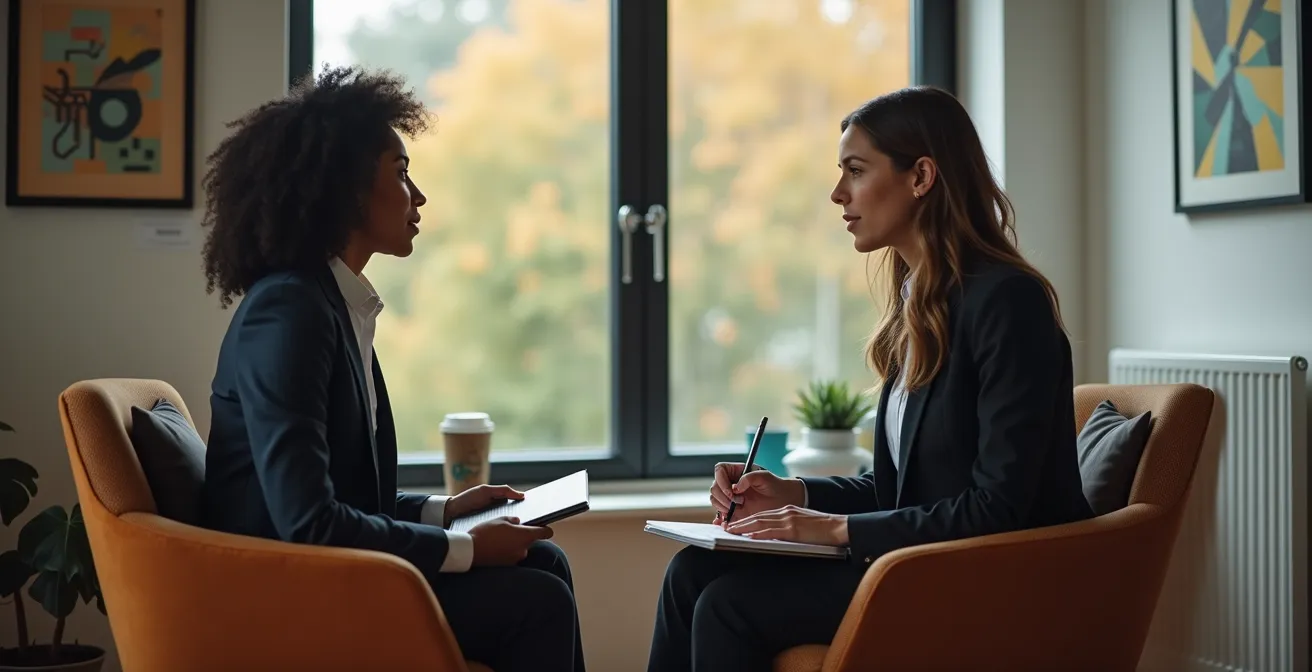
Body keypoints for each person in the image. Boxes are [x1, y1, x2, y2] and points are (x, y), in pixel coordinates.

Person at [647, 85, 1095, 671]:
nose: (838, 194)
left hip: (987, 578)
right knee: (691, 573)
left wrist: (830, 529)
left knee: (731, 605)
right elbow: (905, 489)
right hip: (921, 561)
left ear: (921, 177)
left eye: (855, 171)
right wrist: (794, 495)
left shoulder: (1008, 303)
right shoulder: (921, 307)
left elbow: (997, 506)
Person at [198, 65, 585, 672]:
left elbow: (341, 494)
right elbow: (307, 522)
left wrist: (444, 511)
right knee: (535, 601)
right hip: (292, 598)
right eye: (402, 173)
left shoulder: (331, 303)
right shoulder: (288, 311)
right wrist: (463, 547)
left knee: (544, 565)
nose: (419, 195)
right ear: (349, 189)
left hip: (331, 576)